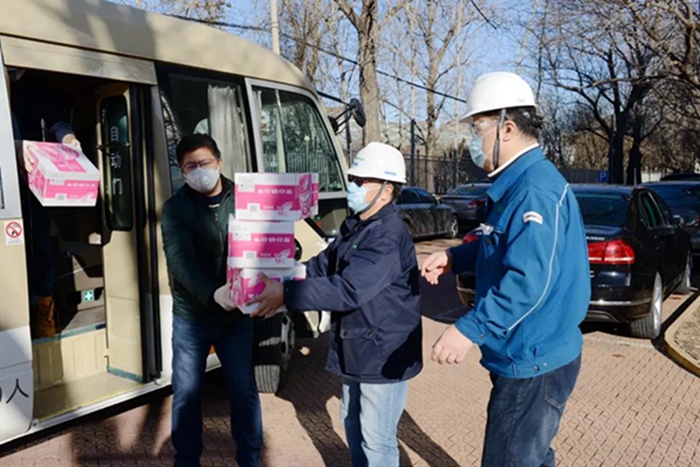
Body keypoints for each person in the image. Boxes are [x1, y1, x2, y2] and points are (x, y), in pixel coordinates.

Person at [421, 72, 590, 467]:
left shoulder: (533, 190)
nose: (473, 140)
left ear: (507, 128)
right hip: (530, 354)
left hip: (532, 360)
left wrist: (468, 329)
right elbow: (501, 245)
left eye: (478, 128)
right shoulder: (519, 184)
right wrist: (456, 257)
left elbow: (527, 282)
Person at [244, 142, 422, 467]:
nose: (352, 187)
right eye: (352, 179)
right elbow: (324, 264)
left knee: (376, 438)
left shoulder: (387, 235)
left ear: (387, 189)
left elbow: (349, 289)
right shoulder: (357, 225)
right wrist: (287, 274)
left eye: (361, 181)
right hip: (358, 344)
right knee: (352, 421)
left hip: (383, 353)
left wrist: (286, 294)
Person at [161, 134, 262, 467]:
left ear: (219, 161)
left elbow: (266, 239)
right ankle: (187, 461)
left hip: (237, 318)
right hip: (193, 317)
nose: (199, 171)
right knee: (186, 393)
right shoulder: (176, 209)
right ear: (182, 170)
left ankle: (250, 459)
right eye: (190, 166)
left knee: (243, 390)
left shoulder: (246, 198)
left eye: (204, 163)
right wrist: (212, 293)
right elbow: (179, 260)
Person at [7, 68, 82, 338]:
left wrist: (69, 140)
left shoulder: (36, 85)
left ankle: (43, 317)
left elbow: (56, 122)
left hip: (32, 179)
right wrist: (12, 148)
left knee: (41, 248)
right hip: (6, 184)